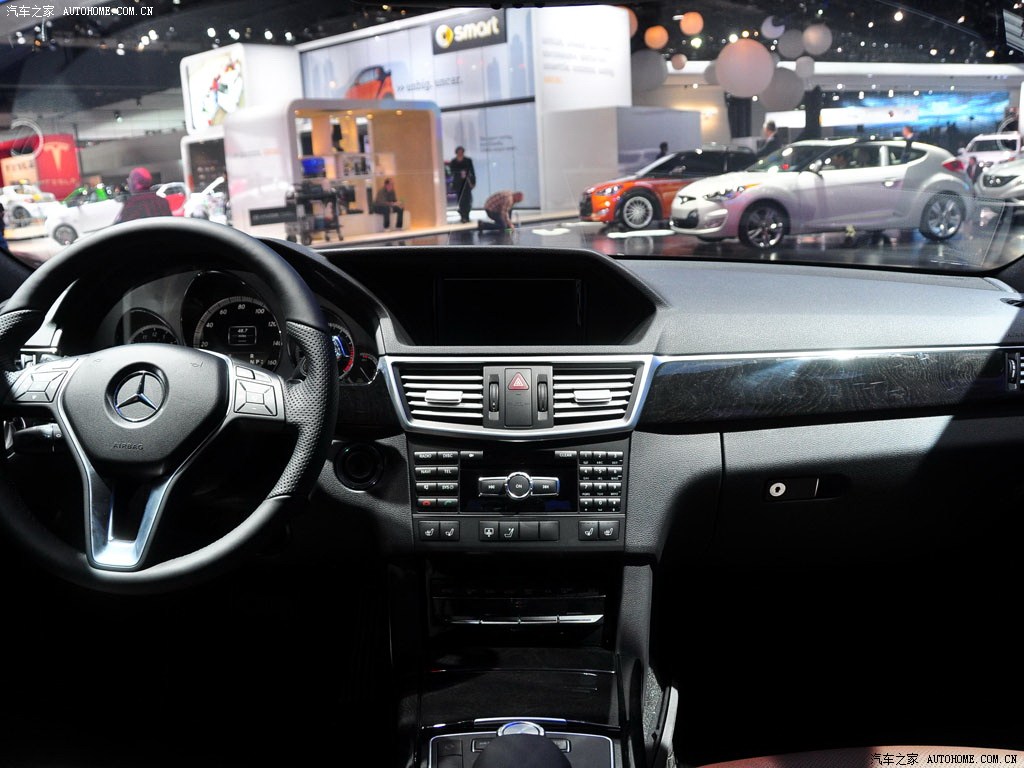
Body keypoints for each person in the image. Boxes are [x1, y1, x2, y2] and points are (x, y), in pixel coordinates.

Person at [449, 146, 476, 224]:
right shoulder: (453, 162)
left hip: (467, 182)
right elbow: (452, 172)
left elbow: (472, 171)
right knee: (461, 200)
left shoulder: (468, 161)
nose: (460, 153)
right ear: (456, 152)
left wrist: (473, 182)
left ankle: (467, 215)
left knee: (468, 199)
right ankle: (462, 216)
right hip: (458, 183)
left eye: (461, 151)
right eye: (459, 152)